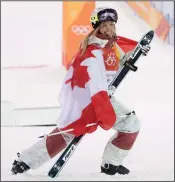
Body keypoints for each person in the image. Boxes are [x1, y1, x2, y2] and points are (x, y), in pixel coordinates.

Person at [11, 7, 151, 176]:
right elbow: (84, 78)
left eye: (111, 24)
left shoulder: (112, 44)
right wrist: (94, 103)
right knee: (69, 132)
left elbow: (119, 61)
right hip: (87, 99)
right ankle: (24, 161)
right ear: (96, 28)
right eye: (104, 25)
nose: (109, 29)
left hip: (102, 97)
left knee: (130, 123)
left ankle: (111, 163)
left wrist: (135, 55)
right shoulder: (92, 51)